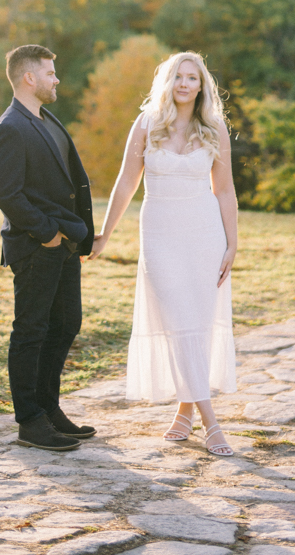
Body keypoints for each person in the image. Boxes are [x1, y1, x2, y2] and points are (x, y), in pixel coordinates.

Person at [89, 51, 238, 456]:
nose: (185, 84)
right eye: (178, 76)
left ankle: (185, 412)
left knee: (195, 323)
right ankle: (212, 422)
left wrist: (232, 244)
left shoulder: (214, 128)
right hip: (160, 234)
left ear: (202, 85)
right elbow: (125, 182)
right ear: (167, 82)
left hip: (204, 235)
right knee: (176, 318)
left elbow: (224, 190)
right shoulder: (147, 124)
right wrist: (104, 233)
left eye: (192, 77)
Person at [0, 44, 96, 452]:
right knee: (31, 331)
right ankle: (30, 421)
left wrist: (76, 236)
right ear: (29, 77)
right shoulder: (10, 127)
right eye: (50, 73)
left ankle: (49, 409)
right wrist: (47, 234)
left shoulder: (46, 119)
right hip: (37, 247)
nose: (56, 80)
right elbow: (7, 194)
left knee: (66, 325)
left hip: (65, 244)